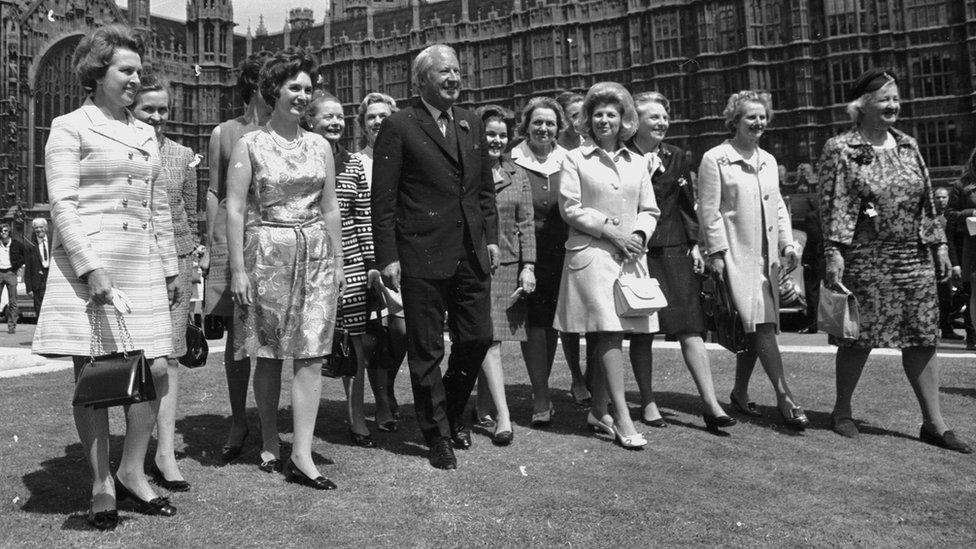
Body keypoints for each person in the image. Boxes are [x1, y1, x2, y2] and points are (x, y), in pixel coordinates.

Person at [33, 24, 180, 530]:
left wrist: (170, 266)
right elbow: (62, 205)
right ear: (98, 73)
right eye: (127, 70)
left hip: (141, 262)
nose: (137, 79)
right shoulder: (69, 126)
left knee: (155, 371)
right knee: (95, 380)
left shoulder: (144, 131)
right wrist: (90, 267)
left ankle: (132, 470)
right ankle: (101, 484)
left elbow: (156, 204)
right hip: (91, 262)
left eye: (139, 70)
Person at [820, 69, 971, 453]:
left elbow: (925, 201)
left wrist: (939, 245)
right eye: (884, 99)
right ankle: (841, 412)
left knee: (922, 336)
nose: (893, 105)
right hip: (866, 257)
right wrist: (834, 251)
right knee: (858, 338)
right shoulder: (841, 148)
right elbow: (833, 203)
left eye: (896, 98)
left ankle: (934, 423)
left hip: (913, 256)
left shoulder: (908, 144)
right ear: (862, 105)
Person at [371, 44, 498, 470]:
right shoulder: (399, 125)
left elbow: (482, 191)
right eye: (444, 72)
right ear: (421, 79)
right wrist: (387, 255)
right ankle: (438, 434)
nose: (454, 78)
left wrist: (491, 238)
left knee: (477, 337)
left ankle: (448, 407)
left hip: (470, 252)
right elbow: (383, 199)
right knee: (426, 350)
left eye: (458, 71)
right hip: (421, 253)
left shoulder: (471, 122)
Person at [225, 47, 345, 487]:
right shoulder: (250, 144)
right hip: (267, 254)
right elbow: (235, 210)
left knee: (311, 352)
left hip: (314, 253)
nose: (302, 95)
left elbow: (330, 208)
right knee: (271, 353)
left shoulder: (320, 146)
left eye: (308, 89)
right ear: (274, 90)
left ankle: (302, 452)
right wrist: (238, 270)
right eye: (294, 87)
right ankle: (271, 439)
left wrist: (338, 260)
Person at [553, 82, 660, 449]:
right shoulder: (574, 158)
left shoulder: (639, 161)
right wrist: (614, 234)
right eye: (597, 114)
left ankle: (598, 410)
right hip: (592, 255)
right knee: (610, 331)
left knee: (607, 334)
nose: (604, 120)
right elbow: (570, 208)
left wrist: (640, 236)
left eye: (611, 114)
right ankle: (622, 416)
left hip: (630, 255)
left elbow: (649, 209)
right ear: (588, 119)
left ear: (624, 119)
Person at [698, 90, 808, 430]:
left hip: (767, 257)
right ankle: (785, 395)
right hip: (735, 256)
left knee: (754, 326)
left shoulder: (769, 160)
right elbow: (709, 211)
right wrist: (716, 253)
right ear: (735, 121)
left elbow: (777, 205)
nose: (758, 122)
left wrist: (788, 244)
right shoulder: (716, 158)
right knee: (762, 326)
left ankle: (740, 392)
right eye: (751, 117)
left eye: (762, 117)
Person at [626, 92, 736, 431]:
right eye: (653, 117)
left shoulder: (675, 156)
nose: (661, 123)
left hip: (674, 249)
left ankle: (711, 403)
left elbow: (688, 205)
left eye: (664, 117)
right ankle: (647, 402)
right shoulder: (621, 155)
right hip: (637, 252)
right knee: (644, 333)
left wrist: (695, 246)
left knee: (691, 329)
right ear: (635, 121)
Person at [202, 52, 272, 462]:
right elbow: (214, 192)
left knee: (273, 335)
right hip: (235, 242)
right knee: (236, 340)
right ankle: (238, 419)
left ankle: (265, 424)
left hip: (275, 240)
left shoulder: (287, 131)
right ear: (252, 85)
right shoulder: (225, 133)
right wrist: (214, 248)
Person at [130, 74, 198, 491]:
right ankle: (134, 454)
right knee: (136, 362)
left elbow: (187, 212)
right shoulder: (122, 150)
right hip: (134, 266)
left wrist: (194, 261)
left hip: (178, 267)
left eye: (162, 109)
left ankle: (165, 452)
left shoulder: (183, 153)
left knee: (169, 360)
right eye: (147, 109)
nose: (157, 117)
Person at [304, 91, 379, 447]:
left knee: (355, 344)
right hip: (307, 261)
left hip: (347, 262)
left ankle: (356, 417)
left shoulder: (351, 163)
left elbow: (362, 215)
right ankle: (307, 422)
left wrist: (369, 265)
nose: (336, 123)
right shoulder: (301, 160)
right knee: (309, 346)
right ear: (310, 121)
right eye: (327, 117)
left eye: (340, 117)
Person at [508, 96, 581, 425]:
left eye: (550, 123)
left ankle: (546, 389)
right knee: (534, 327)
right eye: (537, 122)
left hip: (562, 252)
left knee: (551, 325)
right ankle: (540, 395)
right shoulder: (512, 160)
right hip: (525, 252)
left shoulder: (569, 159)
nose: (543, 128)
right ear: (526, 125)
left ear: (558, 127)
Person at [472, 104, 535, 445]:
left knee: (491, 338)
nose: (495, 140)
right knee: (486, 338)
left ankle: (486, 407)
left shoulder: (518, 173)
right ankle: (502, 414)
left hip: (507, 265)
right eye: (489, 134)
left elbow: (526, 224)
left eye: (501, 134)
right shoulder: (468, 170)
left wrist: (529, 266)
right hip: (472, 263)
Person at [354, 92, 405, 432]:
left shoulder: (406, 158)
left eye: (383, 116)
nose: (377, 121)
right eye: (371, 117)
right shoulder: (357, 162)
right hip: (367, 257)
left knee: (403, 331)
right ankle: (384, 402)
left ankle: (385, 388)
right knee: (374, 331)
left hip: (402, 255)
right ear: (362, 124)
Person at [554, 91, 594, 405]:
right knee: (569, 314)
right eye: (574, 113)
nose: (580, 118)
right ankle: (576, 376)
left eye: (585, 112)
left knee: (596, 310)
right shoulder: (560, 145)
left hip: (594, 236)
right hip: (563, 233)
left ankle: (593, 375)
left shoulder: (600, 141)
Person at [946, 147, 976, 350]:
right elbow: (949, 213)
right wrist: (970, 211)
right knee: (975, 291)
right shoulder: (961, 185)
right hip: (973, 243)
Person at [933, 187, 963, 340]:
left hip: (952, 260)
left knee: (949, 297)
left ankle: (947, 326)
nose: (941, 200)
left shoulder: (952, 217)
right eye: (938, 197)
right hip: (933, 263)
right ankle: (943, 328)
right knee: (939, 297)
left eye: (944, 197)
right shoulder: (929, 217)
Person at [0, 223, 26, 333]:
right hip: (0, 272)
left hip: (11, 273)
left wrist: (16, 267)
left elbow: (24, 256)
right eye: (1, 231)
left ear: (9, 232)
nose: (3, 233)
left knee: (13, 301)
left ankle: (11, 327)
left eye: (5, 231)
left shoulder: (16, 244)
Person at [24, 218, 51, 316]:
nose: (39, 229)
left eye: (41, 227)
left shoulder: (53, 242)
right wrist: (29, 288)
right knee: (39, 310)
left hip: (51, 278)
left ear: (46, 228)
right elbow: (28, 268)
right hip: (37, 283)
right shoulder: (30, 245)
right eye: (36, 228)